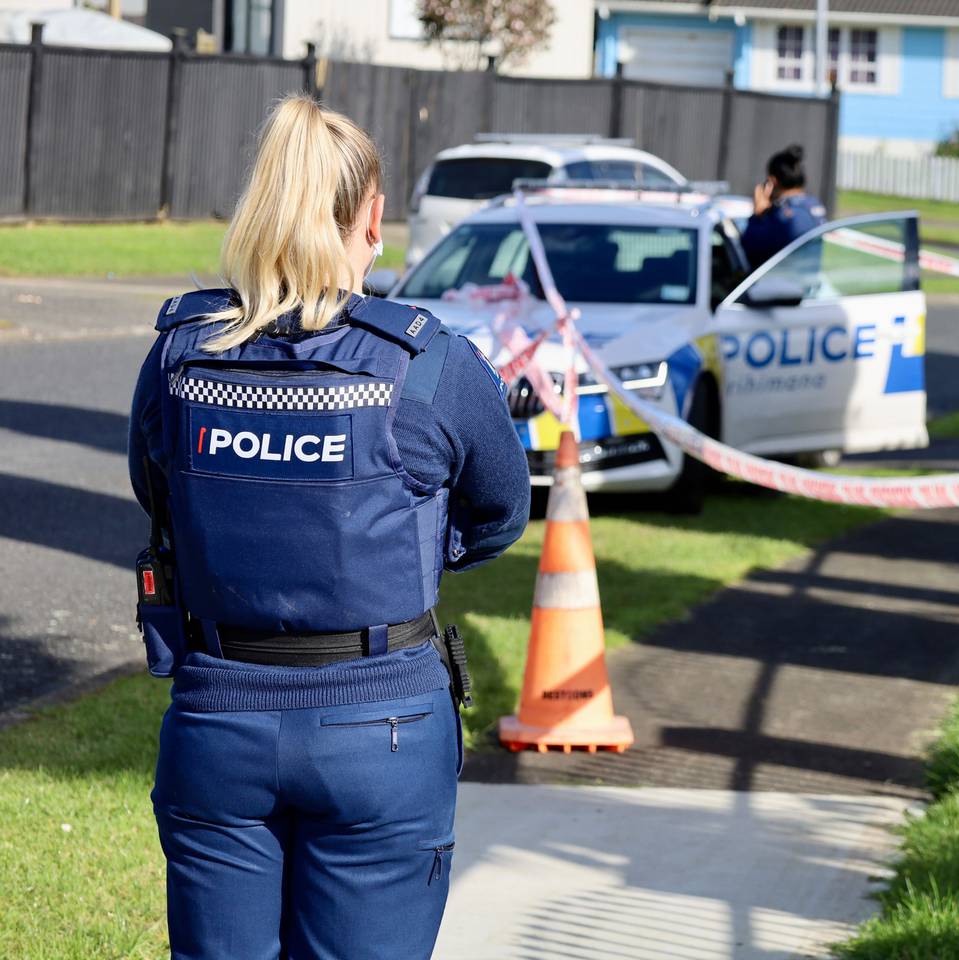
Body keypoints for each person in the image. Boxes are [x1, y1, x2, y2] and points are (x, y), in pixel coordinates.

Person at [127, 95, 530, 960]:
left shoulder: (178, 356)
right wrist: (406, 542)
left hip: (216, 721)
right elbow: (500, 514)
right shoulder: (428, 364)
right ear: (373, 218)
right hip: (381, 730)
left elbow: (155, 492)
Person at [740, 143, 828, 268]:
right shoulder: (814, 205)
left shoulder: (783, 215)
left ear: (772, 181)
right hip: (807, 282)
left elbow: (750, 248)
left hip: (783, 284)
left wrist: (757, 214)